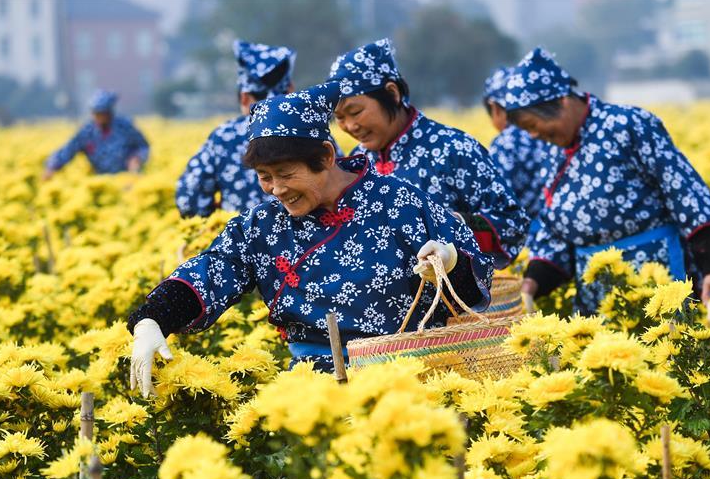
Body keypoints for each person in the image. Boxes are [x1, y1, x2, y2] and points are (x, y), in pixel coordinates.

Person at [128, 83, 493, 395]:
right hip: (312, 388)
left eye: (286, 173)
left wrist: (450, 261)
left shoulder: (398, 199)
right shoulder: (263, 225)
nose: (276, 189)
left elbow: (472, 287)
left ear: (326, 156)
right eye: (264, 177)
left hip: (410, 379)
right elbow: (215, 267)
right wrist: (153, 318)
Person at [502, 47, 710, 315]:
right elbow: (556, 229)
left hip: (658, 277)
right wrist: (534, 280)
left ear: (562, 101)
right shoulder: (553, 152)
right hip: (596, 295)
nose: (534, 135)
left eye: (533, 124)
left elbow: (686, 193)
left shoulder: (628, 125)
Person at [327, 39, 529, 269]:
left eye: (355, 111)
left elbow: (513, 225)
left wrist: (454, 226)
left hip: (454, 299)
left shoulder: (453, 148)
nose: (350, 126)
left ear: (392, 94)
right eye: (340, 118)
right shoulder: (357, 163)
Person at [175, 40, 296, 218]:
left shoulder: (225, 136)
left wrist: (215, 221)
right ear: (291, 90)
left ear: (244, 97)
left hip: (238, 241)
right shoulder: (309, 129)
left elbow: (188, 199)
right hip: (305, 243)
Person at [483, 66, 550, 224]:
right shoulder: (550, 132)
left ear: (495, 108)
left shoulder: (506, 144)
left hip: (526, 239)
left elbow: (496, 203)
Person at [43, 90, 149, 179]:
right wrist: (52, 167)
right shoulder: (87, 132)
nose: (98, 117)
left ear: (109, 112)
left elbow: (143, 146)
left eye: (102, 113)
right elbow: (67, 151)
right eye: (95, 113)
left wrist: (137, 158)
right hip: (100, 181)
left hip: (127, 179)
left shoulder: (125, 127)